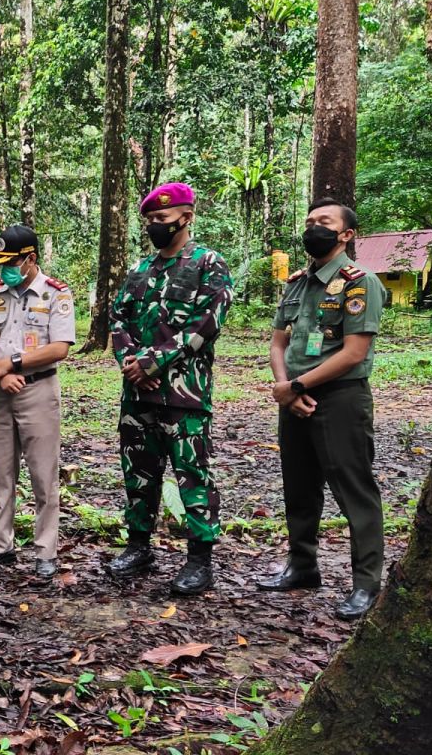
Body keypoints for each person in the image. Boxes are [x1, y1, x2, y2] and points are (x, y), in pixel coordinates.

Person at [256, 198, 388, 621]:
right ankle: (302, 566)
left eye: (324, 222)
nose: (313, 227)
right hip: (293, 399)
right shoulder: (297, 282)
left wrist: (296, 385)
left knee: (354, 491)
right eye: (310, 221)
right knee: (298, 487)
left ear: (347, 234)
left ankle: (367, 584)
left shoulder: (359, 282)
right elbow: (279, 342)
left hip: (341, 399)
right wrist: (286, 390)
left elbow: (353, 353)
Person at [107, 182, 233, 595]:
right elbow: (118, 318)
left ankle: (200, 559)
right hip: (137, 394)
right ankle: (139, 546)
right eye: (150, 221)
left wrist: (154, 361)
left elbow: (207, 322)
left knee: (191, 475)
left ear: (186, 217)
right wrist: (129, 360)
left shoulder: (208, 264)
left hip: (185, 395)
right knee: (138, 473)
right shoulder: (140, 270)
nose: (155, 226)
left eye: (162, 219)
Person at [0, 226, 74, 575]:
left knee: (43, 476)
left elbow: (59, 348)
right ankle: (1, 547)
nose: (3, 271)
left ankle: (45, 553)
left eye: (10, 262)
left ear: (30, 259)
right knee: (2, 473)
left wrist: (11, 364)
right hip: (1, 391)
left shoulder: (55, 294)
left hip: (39, 391)